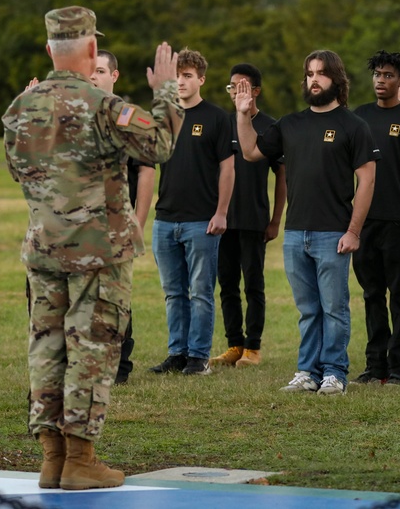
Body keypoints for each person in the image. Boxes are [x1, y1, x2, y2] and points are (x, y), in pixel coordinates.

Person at [3, 6, 182, 490]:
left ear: (49, 50)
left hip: (43, 249)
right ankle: (80, 460)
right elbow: (159, 145)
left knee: (47, 347)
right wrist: (167, 92)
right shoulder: (104, 105)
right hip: (98, 253)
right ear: (89, 49)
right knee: (92, 348)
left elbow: (18, 170)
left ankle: (52, 458)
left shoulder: (20, 108)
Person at [235, 50, 377, 396]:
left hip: (334, 234)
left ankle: (335, 373)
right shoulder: (289, 124)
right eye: (310, 73)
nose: (314, 79)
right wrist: (243, 115)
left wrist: (354, 231)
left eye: (322, 74)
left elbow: (368, 181)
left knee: (334, 308)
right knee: (308, 310)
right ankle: (307, 372)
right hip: (296, 233)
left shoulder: (353, 126)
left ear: (336, 80)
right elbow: (252, 152)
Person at [149, 49, 235, 377]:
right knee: (173, 292)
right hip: (165, 219)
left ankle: (198, 357)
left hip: (202, 220)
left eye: (187, 76)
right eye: (176, 76)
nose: (181, 82)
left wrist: (221, 212)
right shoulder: (164, 116)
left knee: (200, 292)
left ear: (201, 79)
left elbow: (228, 169)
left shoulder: (216, 118)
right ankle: (177, 352)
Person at [352, 50, 400, 386]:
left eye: (388, 75)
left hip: (397, 221)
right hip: (364, 222)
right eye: (377, 74)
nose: (381, 80)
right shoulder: (359, 117)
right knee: (370, 295)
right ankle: (374, 366)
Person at [210, 64, 286, 369]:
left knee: (253, 284)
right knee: (226, 284)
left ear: (255, 91)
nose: (235, 92)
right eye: (231, 87)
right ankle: (234, 344)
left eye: (241, 87)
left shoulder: (270, 127)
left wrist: (275, 220)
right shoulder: (223, 125)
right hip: (222, 221)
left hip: (254, 219)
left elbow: (282, 177)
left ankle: (253, 348)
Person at [89, 50, 157, 386]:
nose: (93, 76)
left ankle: (120, 365)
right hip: (82, 227)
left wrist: (138, 222)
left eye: (100, 70)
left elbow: (145, 171)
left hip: (117, 226)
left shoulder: (127, 116)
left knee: (116, 296)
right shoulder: (79, 113)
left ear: (114, 76)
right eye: (90, 70)